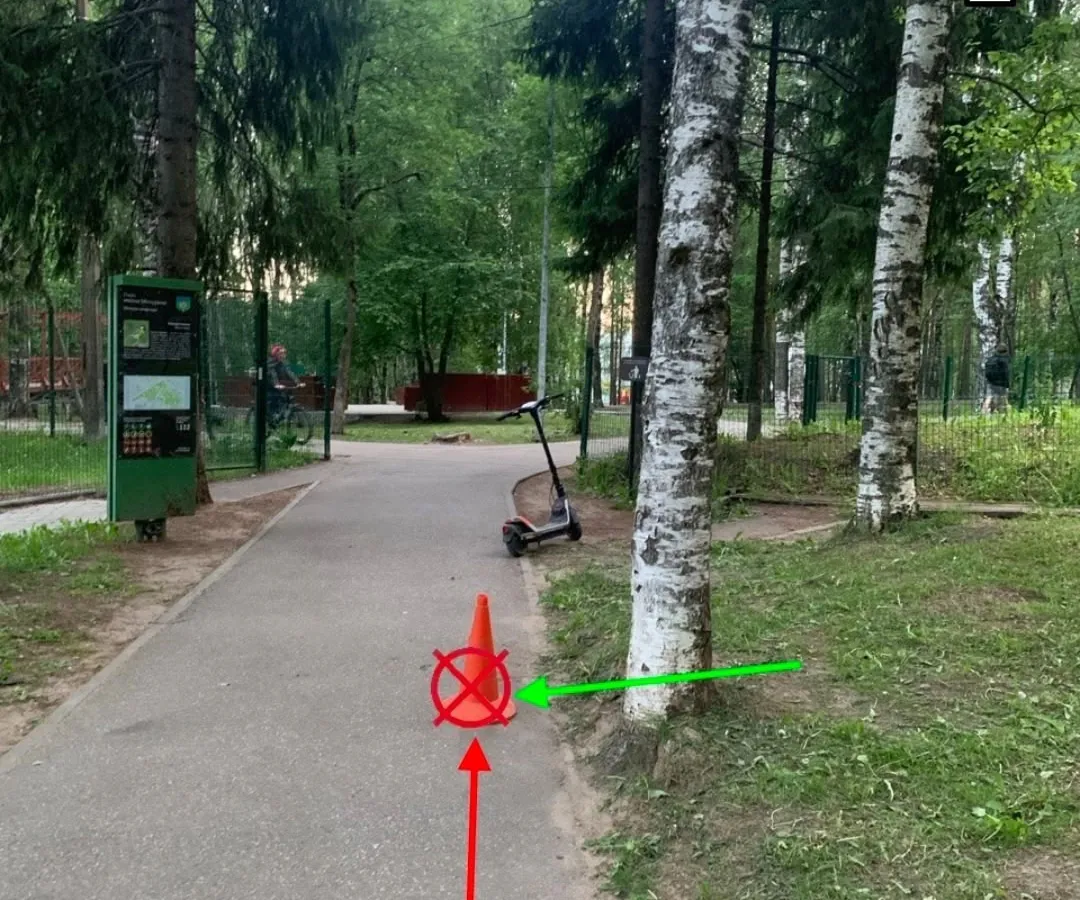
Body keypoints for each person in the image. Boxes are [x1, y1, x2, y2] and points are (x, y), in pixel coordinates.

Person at [267, 343, 299, 422]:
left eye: (284, 353)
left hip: (278, 386)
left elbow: (290, 373)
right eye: (281, 353)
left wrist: (298, 382)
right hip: (268, 386)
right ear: (276, 354)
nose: (283, 355)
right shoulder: (271, 363)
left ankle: (281, 416)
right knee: (274, 398)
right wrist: (276, 384)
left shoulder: (283, 363)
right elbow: (273, 374)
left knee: (285, 398)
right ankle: (273, 416)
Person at [983, 344, 1011, 414]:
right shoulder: (1004, 360)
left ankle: (984, 412)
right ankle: (1003, 415)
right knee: (1003, 401)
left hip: (991, 383)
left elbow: (986, 372)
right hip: (1001, 384)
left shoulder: (990, 359)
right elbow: (1005, 373)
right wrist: (1007, 384)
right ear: (1005, 351)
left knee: (989, 398)